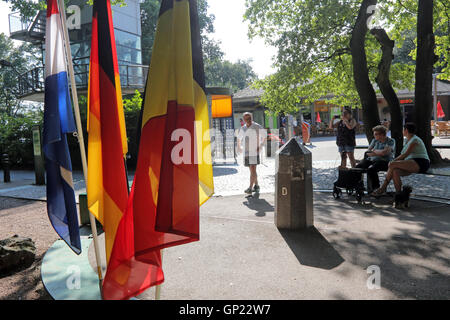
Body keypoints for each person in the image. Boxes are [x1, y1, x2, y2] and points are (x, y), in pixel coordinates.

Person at [371, 122, 430, 196]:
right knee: (395, 171)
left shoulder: (415, 140)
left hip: (421, 162)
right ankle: (398, 195)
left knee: (392, 164)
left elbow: (405, 155)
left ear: (406, 130)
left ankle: (382, 188)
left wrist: (393, 161)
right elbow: (403, 155)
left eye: (403, 129)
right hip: (410, 162)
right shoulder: (407, 140)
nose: (402, 131)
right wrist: (394, 162)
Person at [356, 125, 396, 192]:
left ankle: (376, 188)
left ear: (382, 134)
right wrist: (379, 152)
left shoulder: (391, 141)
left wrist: (374, 151)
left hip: (385, 161)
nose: (374, 136)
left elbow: (385, 153)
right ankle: (358, 185)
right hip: (372, 160)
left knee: (371, 169)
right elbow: (368, 152)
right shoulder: (375, 140)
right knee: (357, 167)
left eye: (375, 134)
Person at [237, 112, 265, 194]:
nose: (248, 120)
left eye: (249, 118)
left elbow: (265, 136)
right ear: (244, 119)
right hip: (246, 152)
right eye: (246, 119)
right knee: (252, 170)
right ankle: (256, 185)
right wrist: (239, 147)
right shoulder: (243, 128)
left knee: (253, 169)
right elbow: (239, 138)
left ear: (252, 118)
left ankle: (250, 188)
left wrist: (260, 146)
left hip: (254, 151)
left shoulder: (257, 126)